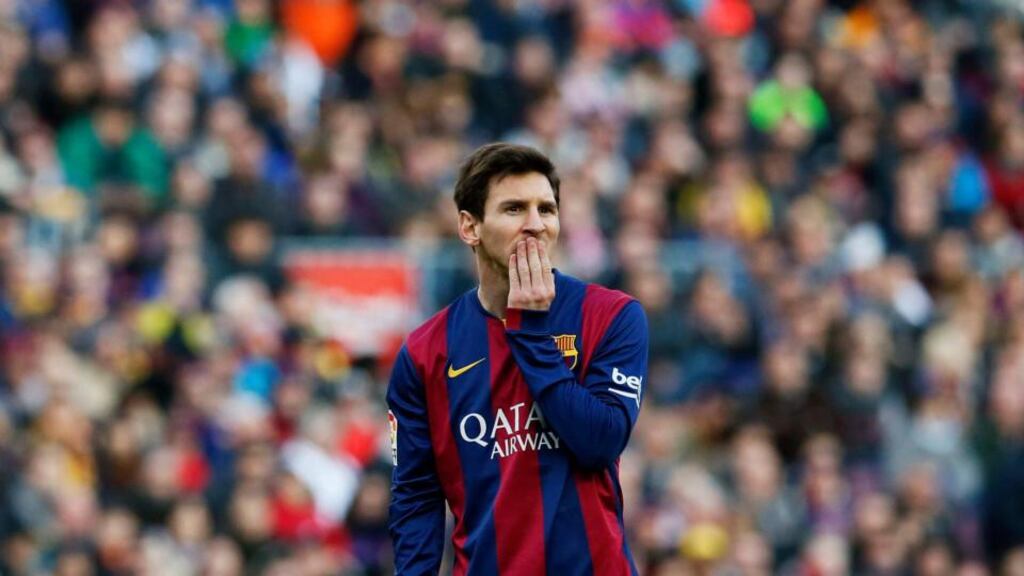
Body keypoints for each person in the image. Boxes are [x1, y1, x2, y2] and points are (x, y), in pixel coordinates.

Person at [387, 143, 649, 575]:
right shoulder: (424, 353)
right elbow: (416, 496)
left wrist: (528, 330)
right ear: (470, 227)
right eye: (514, 209)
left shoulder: (611, 316)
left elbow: (600, 442)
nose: (535, 225)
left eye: (546, 209)